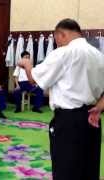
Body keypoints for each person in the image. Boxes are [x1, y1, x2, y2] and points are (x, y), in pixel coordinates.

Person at [18, 18, 104, 180]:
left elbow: (33, 79)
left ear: (62, 34)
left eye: (57, 40)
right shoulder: (98, 55)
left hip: (68, 120)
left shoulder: (64, 53)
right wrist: (100, 106)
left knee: (65, 168)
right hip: (92, 118)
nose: (57, 44)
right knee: (88, 168)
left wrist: (27, 64)